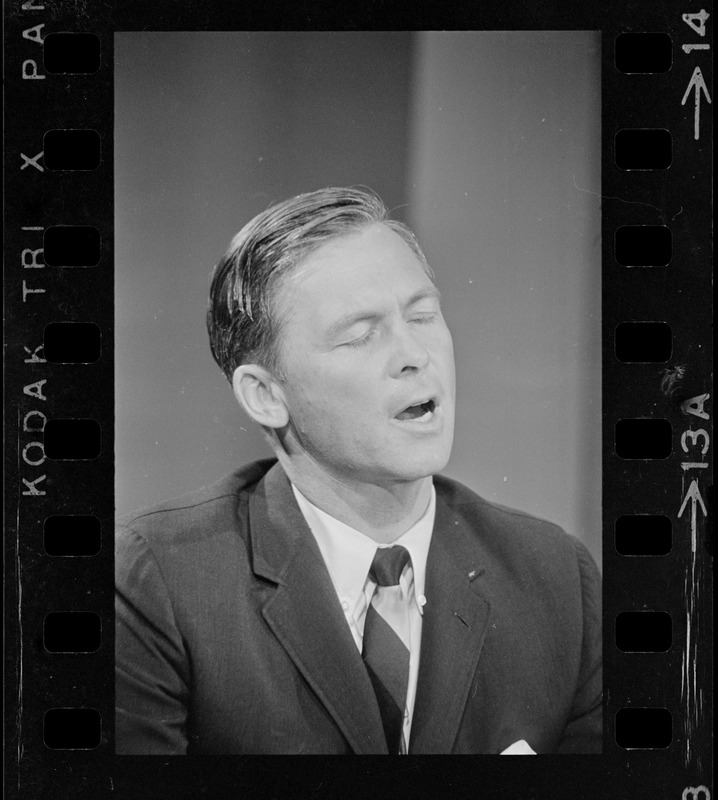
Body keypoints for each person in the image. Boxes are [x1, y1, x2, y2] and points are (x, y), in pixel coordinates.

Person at [115, 186, 602, 755]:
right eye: (359, 334)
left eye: (423, 315)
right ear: (267, 396)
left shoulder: (556, 578)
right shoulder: (160, 584)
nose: (414, 353)